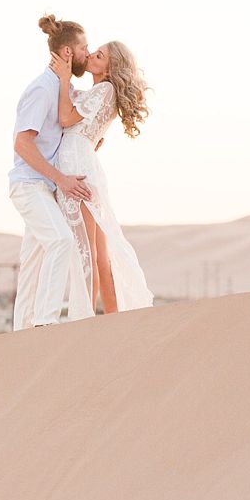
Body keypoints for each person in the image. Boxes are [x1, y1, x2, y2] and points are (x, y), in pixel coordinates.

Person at [49, 40, 155, 314]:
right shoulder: (99, 91)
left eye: (99, 55)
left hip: (77, 166)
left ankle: (85, 317)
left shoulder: (104, 90)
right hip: (82, 160)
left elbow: (65, 118)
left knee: (87, 248)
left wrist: (63, 79)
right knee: (98, 252)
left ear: (110, 67)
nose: (93, 56)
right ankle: (111, 317)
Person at [8, 15, 95, 330]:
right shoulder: (42, 89)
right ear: (68, 53)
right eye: (84, 47)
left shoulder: (62, 88)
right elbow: (22, 143)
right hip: (30, 185)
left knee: (33, 261)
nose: (88, 53)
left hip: (45, 187)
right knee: (61, 241)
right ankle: (45, 324)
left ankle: (23, 330)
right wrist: (62, 180)